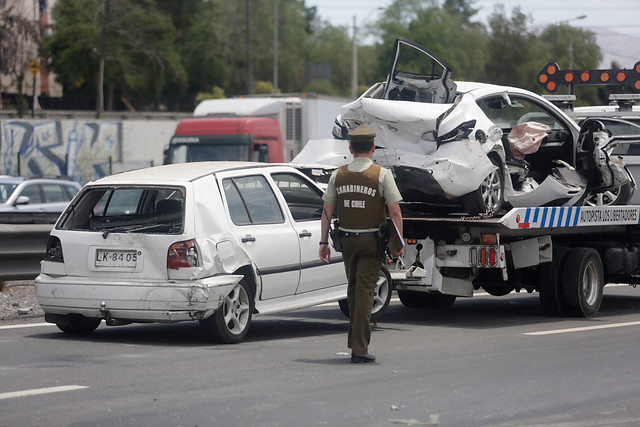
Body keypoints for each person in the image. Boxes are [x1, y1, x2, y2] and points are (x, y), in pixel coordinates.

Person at [319, 125, 404, 364]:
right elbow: (395, 211)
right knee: (365, 291)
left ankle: (354, 340)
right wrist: (398, 243)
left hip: (346, 242)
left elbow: (327, 210)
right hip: (371, 242)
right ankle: (359, 348)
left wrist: (323, 241)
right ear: (373, 148)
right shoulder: (382, 174)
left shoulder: (338, 174)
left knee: (354, 288)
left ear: (350, 148)